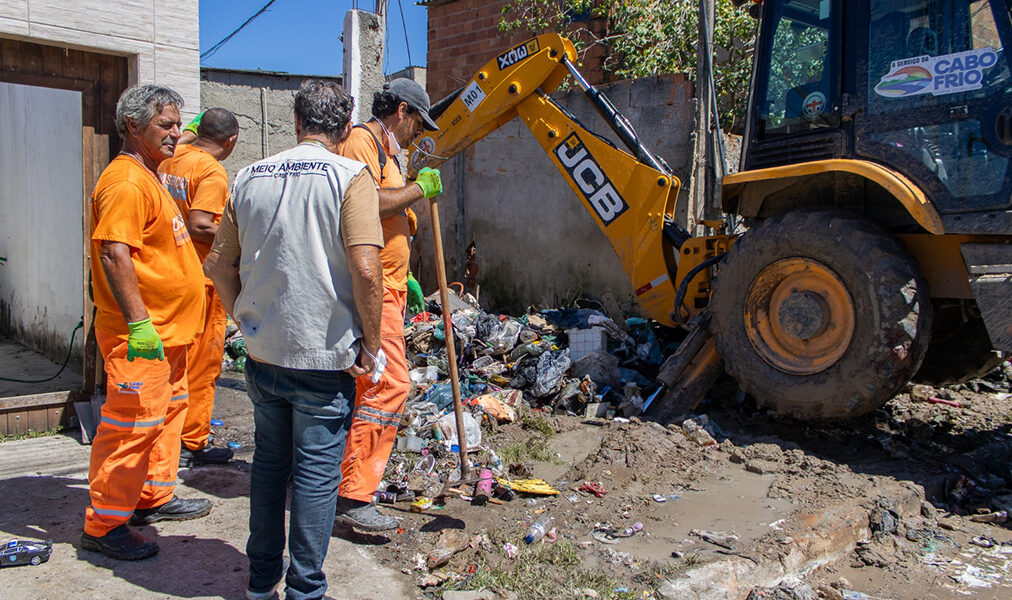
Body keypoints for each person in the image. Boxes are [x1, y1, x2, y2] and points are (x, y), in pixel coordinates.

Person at [203, 80, 384, 600]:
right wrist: (373, 346)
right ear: (345, 128)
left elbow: (217, 264)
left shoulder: (248, 175)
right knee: (316, 477)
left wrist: (243, 318)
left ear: (297, 122)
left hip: (264, 353)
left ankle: (262, 583)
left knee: (269, 468)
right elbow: (367, 271)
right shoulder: (351, 176)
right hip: (324, 359)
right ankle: (306, 589)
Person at [81, 84, 212, 561]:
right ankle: (104, 525)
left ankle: (153, 496)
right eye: (166, 125)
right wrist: (139, 325)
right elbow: (115, 253)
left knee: (165, 417)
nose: (177, 133)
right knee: (131, 426)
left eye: (179, 124)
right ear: (133, 126)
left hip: (169, 335)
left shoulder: (149, 176)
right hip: (143, 336)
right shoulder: (125, 182)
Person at [335, 78, 442, 531]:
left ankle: (338, 481)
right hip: (372, 289)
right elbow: (362, 205)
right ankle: (354, 496)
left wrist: (407, 273)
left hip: (392, 287)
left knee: (368, 386)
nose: (419, 132)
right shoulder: (362, 141)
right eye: (418, 121)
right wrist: (418, 190)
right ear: (402, 110)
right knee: (389, 384)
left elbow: (390, 211)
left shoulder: (388, 152)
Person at [158, 107, 240, 468]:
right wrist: (240, 239)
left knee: (174, 362)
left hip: (171, 274)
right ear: (232, 141)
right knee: (203, 364)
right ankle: (192, 442)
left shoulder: (171, 157)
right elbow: (200, 223)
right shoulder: (211, 171)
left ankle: (166, 435)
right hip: (205, 279)